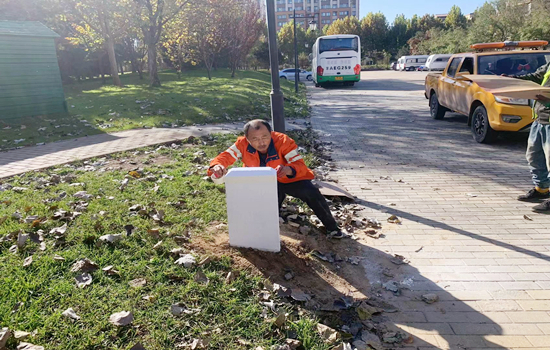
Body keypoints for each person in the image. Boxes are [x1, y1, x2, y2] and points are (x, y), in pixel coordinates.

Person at [207, 119, 344, 238]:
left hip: (289, 178)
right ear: (247, 138)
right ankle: (269, 226)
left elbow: (299, 164)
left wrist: (288, 170)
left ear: (271, 134)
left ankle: (332, 227)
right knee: (267, 205)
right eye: (255, 139)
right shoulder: (241, 144)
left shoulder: (283, 141)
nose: (261, 142)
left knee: (311, 193)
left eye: (265, 137)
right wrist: (217, 166)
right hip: (263, 180)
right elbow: (225, 157)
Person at [512, 62, 550, 211]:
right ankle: (542, 189)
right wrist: (511, 80)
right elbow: (535, 77)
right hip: (540, 119)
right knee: (534, 156)